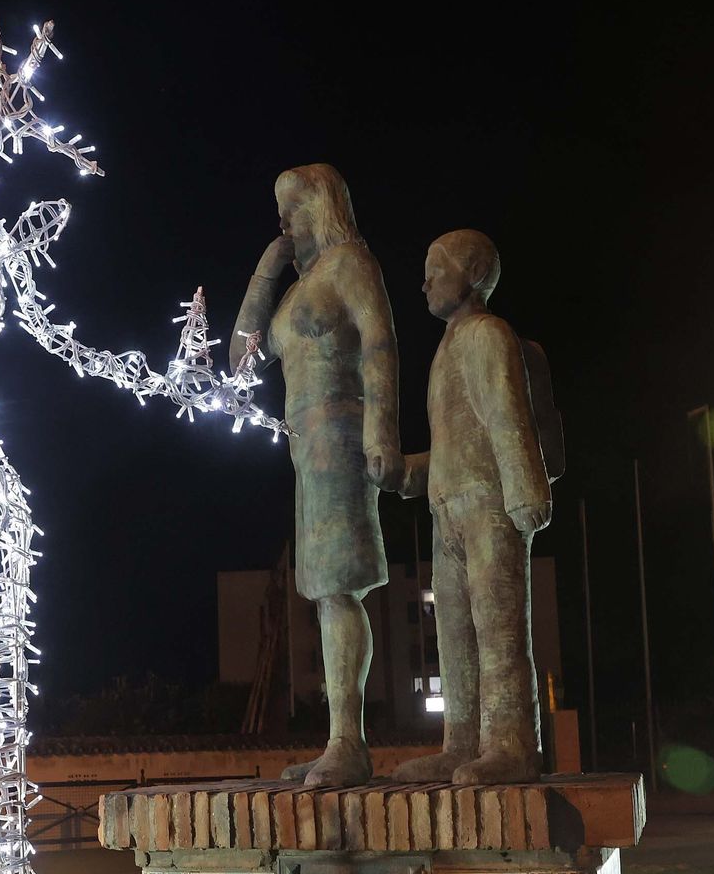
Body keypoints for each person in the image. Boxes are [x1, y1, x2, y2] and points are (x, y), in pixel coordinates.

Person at [229, 164, 402, 786]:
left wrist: (382, 431)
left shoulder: (352, 265)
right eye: (279, 209)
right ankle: (339, 738)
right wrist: (266, 269)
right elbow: (241, 357)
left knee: (339, 586)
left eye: (295, 207)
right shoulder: (297, 291)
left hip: (342, 432)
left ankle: (348, 742)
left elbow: (380, 346)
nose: (284, 220)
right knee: (325, 589)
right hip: (304, 444)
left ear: (323, 208)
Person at [392, 229, 563, 785]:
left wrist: (526, 489)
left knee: (498, 629)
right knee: (455, 637)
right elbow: (455, 441)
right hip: (448, 510)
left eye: (435, 270)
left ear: (471, 274)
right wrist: (406, 472)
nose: (425, 283)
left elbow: (506, 416)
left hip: (489, 504)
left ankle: (511, 742)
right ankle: (461, 742)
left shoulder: (490, 335)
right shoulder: (446, 350)